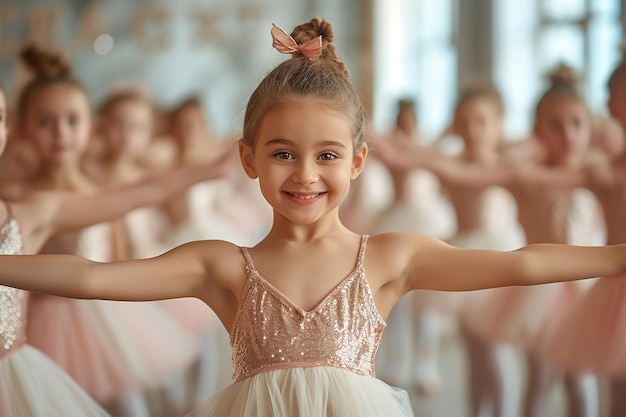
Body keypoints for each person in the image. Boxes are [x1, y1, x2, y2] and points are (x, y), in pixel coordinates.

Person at [0, 19, 624, 417]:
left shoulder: (388, 257)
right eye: (281, 154)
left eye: (326, 156)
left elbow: (522, 262)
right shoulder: (220, 265)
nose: (304, 175)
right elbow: (87, 276)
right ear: (248, 159)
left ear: (356, 162)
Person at [7, 44, 236, 417]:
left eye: (72, 121)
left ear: (89, 126)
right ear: (21, 128)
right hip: (39, 322)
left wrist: (209, 168)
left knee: (129, 407)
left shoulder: (98, 192)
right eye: (45, 122)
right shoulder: (19, 198)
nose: (61, 133)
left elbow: (126, 232)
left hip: (98, 314)